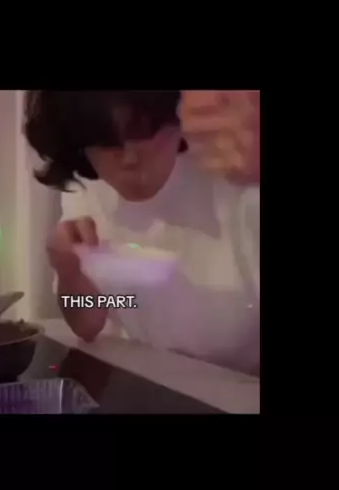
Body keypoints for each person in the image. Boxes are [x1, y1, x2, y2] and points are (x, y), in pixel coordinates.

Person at [23, 90, 260, 375]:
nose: (129, 158)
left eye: (144, 131)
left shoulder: (235, 177)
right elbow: (89, 322)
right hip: (160, 380)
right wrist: (68, 272)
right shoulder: (90, 192)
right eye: (106, 142)